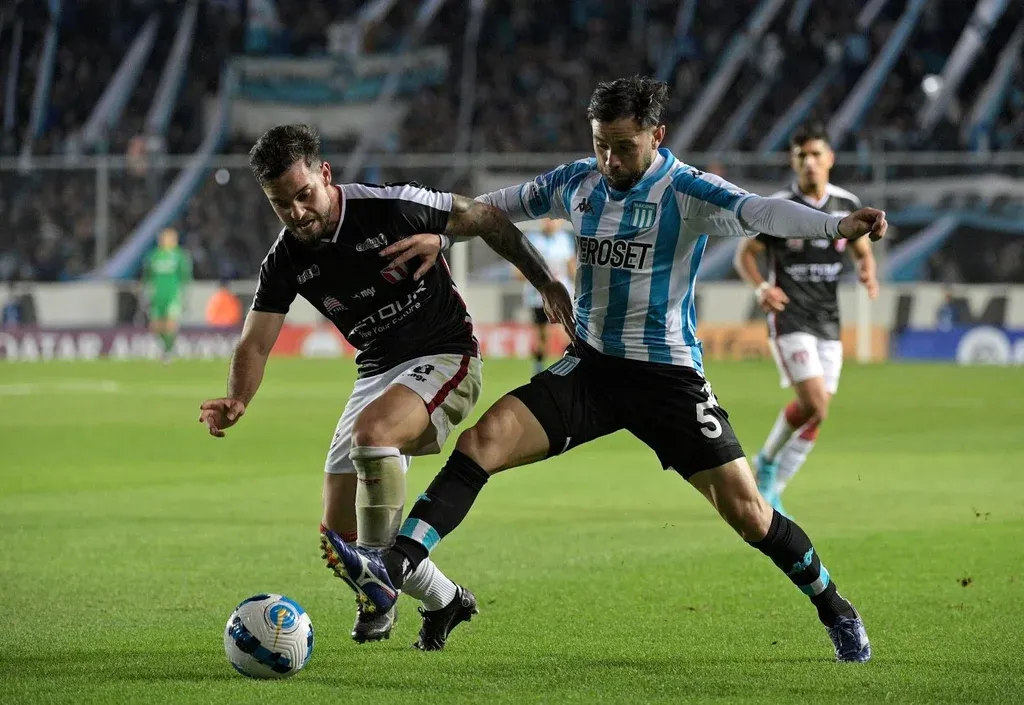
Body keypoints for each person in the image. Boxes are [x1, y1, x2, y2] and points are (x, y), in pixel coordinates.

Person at [322, 77, 887, 662]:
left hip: (667, 380)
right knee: (481, 443)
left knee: (749, 514)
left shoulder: (687, 191)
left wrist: (836, 226)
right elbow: (494, 209)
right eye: (600, 145)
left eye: (624, 147)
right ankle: (394, 566)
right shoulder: (578, 181)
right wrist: (441, 233)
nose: (611, 160)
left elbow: (762, 211)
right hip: (591, 370)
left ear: (656, 136)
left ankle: (834, 607)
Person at [198, 124, 572, 650]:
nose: (297, 212)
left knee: (373, 436)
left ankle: (379, 589)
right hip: (376, 372)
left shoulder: (390, 207)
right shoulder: (285, 260)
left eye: (304, 194)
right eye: (282, 204)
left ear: (325, 174)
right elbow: (255, 342)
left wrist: (546, 282)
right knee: (338, 537)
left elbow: (486, 217)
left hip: (445, 354)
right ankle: (445, 599)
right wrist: (238, 397)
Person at [733, 124, 878, 518]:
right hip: (790, 317)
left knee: (817, 412)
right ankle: (766, 462)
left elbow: (860, 248)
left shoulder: (846, 202)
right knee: (813, 402)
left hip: (828, 320)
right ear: (793, 161)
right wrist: (762, 288)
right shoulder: (780, 207)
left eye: (816, 154)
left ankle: (774, 489)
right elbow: (744, 256)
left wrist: (867, 270)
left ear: (830, 158)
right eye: (802, 156)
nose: (810, 162)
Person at [515, 218, 576, 375]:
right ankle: (538, 369)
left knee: (569, 333)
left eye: (554, 220)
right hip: (537, 296)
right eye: (547, 220)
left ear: (560, 222)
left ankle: (568, 370)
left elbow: (571, 267)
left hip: (562, 295)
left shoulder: (565, 239)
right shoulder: (533, 239)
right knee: (541, 336)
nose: (550, 223)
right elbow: (519, 271)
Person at [142, 228, 192, 363]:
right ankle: (166, 347)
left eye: (171, 238)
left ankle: (168, 352)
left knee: (170, 323)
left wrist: (184, 295)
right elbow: (147, 276)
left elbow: (185, 277)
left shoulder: (180, 256)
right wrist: (146, 292)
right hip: (157, 296)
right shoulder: (154, 256)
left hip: (173, 295)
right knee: (155, 326)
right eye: (166, 237)